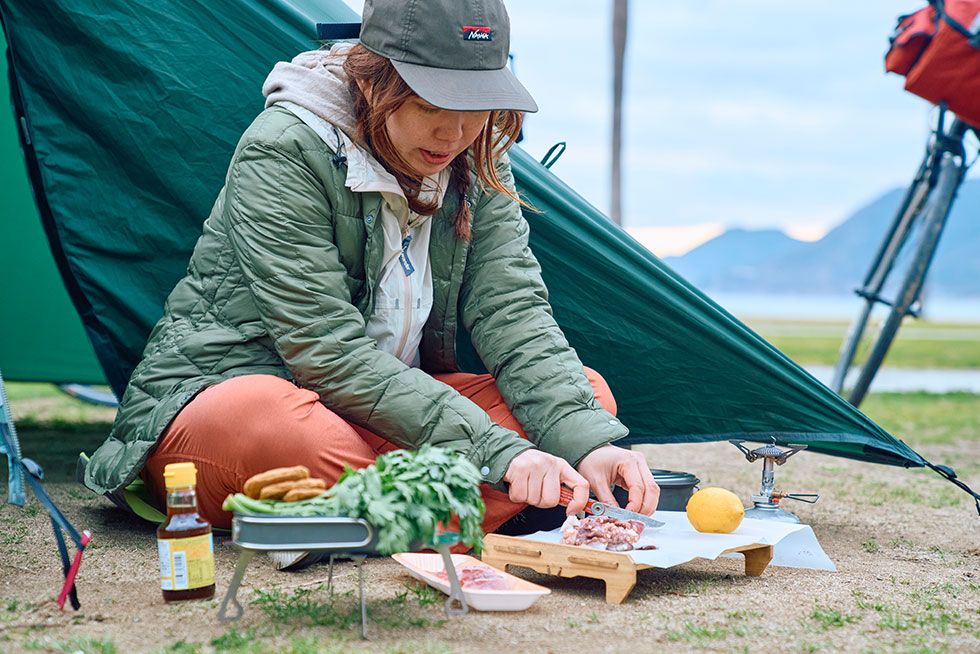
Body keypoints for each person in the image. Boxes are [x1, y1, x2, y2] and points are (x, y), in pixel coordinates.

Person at [82, 0, 660, 554]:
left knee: (582, 402)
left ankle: (352, 522)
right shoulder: (284, 148)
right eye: (431, 104)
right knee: (287, 432)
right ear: (373, 80)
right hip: (234, 408)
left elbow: (513, 310)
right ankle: (464, 507)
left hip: (376, 414)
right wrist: (495, 454)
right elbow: (325, 352)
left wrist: (588, 441)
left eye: (475, 106)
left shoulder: (476, 156)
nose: (452, 134)